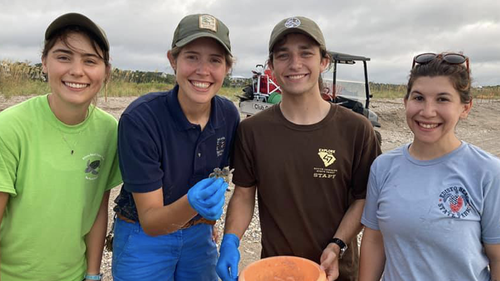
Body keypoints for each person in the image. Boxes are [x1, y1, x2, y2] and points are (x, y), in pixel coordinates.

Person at [216, 16, 381, 281]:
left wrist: (337, 244)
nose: (295, 64)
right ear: (271, 66)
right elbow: (244, 195)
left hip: (337, 273)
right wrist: (231, 241)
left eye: (306, 53)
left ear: (323, 61)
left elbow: (364, 199)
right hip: (276, 271)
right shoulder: (252, 131)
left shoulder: (356, 129)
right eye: (283, 56)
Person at [111, 14, 239, 281]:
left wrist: (212, 224)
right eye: (192, 56)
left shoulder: (228, 116)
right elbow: (151, 220)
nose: (203, 70)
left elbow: (220, 173)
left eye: (215, 60)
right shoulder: (141, 120)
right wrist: (193, 204)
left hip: (198, 234)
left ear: (227, 68)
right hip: (142, 235)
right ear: (173, 60)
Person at [0, 13, 121, 281]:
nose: (77, 71)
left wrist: (92, 274)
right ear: (44, 62)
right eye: (64, 57)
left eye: (90, 60)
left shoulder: (109, 130)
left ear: (106, 71)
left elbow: (98, 207)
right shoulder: (10, 126)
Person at [359, 53, 500, 281]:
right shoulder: (383, 167)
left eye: (442, 99)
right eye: (419, 98)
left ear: (465, 107)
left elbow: (498, 257)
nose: (427, 111)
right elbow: (374, 240)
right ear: (406, 102)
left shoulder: (488, 172)